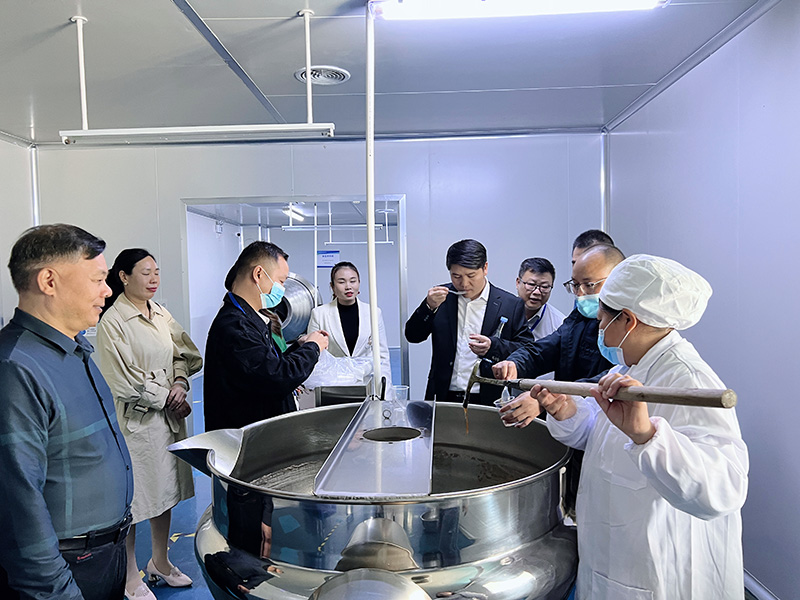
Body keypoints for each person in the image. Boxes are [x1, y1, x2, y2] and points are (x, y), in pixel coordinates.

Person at [525, 254, 748, 599]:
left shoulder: (688, 379)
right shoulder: (631, 367)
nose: (599, 328)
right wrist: (565, 410)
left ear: (628, 320)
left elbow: (724, 490)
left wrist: (648, 436)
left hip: (661, 568)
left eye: (602, 319)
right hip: (616, 553)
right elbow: (603, 438)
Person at [0, 224, 133, 600]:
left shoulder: (75, 350)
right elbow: (18, 507)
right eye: (98, 279)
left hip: (104, 556)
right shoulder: (16, 368)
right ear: (49, 281)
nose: (108, 291)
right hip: (65, 570)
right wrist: (58, 591)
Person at [96, 249, 202, 600]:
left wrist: (180, 384)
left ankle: (160, 561)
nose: (154, 278)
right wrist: (167, 396)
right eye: (145, 272)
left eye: (156, 271)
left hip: (167, 421)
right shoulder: (113, 322)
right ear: (124, 277)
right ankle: (130, 576)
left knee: (165, 493)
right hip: (137, 425)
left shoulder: (160, 313)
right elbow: (122, 382)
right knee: (135, 502)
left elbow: (184, 355)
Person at [493, 244, 623, 520]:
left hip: (609, 438)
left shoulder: (625, 324)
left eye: (589, 284)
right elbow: (546, 349)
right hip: (573, 430)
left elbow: (613, 377)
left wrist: (545, 399)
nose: (580, 293)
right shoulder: (579, 317)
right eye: (575, 285)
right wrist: (515, 362)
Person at [204, 241, 329, 431]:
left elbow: (265, 366)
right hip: (247, 437)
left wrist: (299, 346)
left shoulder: (249, 319)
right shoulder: (236, 327)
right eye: (281, 281)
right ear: (258, 274)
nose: (282, 289)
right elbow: (277, 378)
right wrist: (313, 348)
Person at [405, 239, 531, 406]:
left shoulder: (510, 304)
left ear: (485, 268)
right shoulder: (440, 298)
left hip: (488, 397)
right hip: (443, 396)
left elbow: (527, 349)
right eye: (456, 276)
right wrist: (428, 307)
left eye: (471, 276)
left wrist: (493, 346)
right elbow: (413, 336)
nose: (464, 284)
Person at [307, 261, 392, 386]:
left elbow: (382, 356)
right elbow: (312, 354)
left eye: (353, 281)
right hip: (333, 385)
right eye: (341, 282)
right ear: (332, 286)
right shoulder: (319, 314)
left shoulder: (373, 313)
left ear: (359, 283)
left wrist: (386, 391)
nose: (348, 286)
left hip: (366, 385)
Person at [515, 257, 566, 341]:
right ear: (518, 283)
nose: (537, 292)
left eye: (544, 287)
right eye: (531, 284)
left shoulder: (560, 325)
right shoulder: (501, 311)